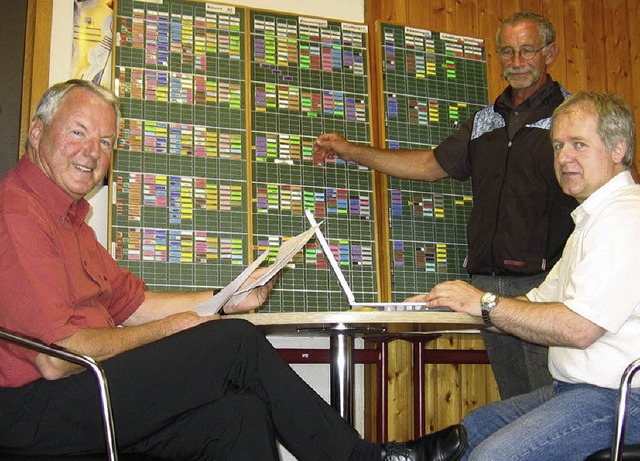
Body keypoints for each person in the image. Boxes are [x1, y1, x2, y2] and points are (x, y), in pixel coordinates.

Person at [0, 79, 470, 460]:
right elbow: (57, 356)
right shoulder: (18, 212)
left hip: (85, 391)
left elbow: (134, 303)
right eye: (78, 132)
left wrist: (227, 296)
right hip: (38, 410)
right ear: (37, 133)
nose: (93, 152)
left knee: (239, 416)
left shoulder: (74, 222)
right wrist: (173, 330)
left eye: (105, 141)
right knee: (234, 342)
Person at [313, 11, 578, 400]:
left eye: (527, 51)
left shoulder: (572, 115)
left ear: (549, 53)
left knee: (554, 404)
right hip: (487, 286)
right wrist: (349, 151)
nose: (517, 62)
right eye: (507, 51)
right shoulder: (485, 121)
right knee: (517, 403)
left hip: (547, 287)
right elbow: (428, 165)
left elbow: (615, 186)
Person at [410, 91, 640, 460]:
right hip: (576, 389)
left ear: (617, 150)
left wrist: (482, 302)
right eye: (558, 145)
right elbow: (535, 305)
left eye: (579, 144)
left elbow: (579, 328)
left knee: (493, 456)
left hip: (621, 397)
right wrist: (449, 308)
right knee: (471, 432)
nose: (564, 158)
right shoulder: (590, 221)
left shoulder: (626, 217)